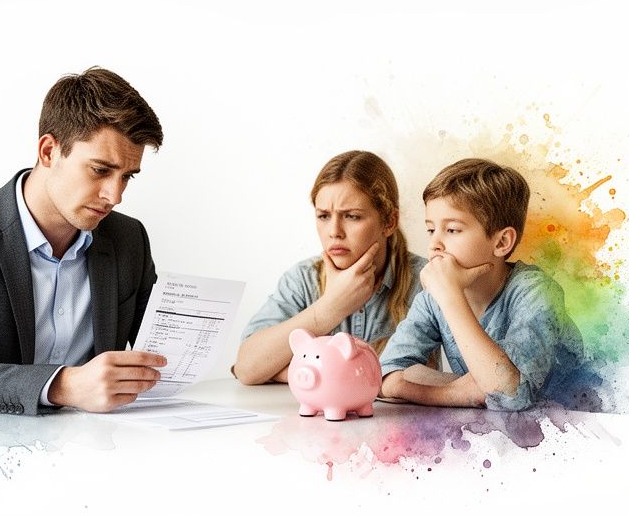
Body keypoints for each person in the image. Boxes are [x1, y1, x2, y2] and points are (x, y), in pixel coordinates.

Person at [0, 67, 168, 415]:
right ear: (48, 151)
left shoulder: (129, 239)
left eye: (127, 177)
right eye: (100, 170)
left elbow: (163, 355)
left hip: (102, 446)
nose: (114, 196)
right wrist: (63, 385)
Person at [379, 158, 586, 411]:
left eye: (452, 230)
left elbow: (511, 395)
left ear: (501, 243)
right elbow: (386, 374)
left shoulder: (536, 292)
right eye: (431, 230)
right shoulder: (434, 298)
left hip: (579, 430)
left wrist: (451, 298)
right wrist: (456, 393)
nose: (434, 244)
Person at [234, 150, 427, 385]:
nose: (334, 231)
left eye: (352, 216)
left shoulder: (425, 281)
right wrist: (330, 307)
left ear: (389, 222)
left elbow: (424, 376)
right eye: (324, 216)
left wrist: (293, 369)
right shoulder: (303, 278)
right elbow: (247, 369)